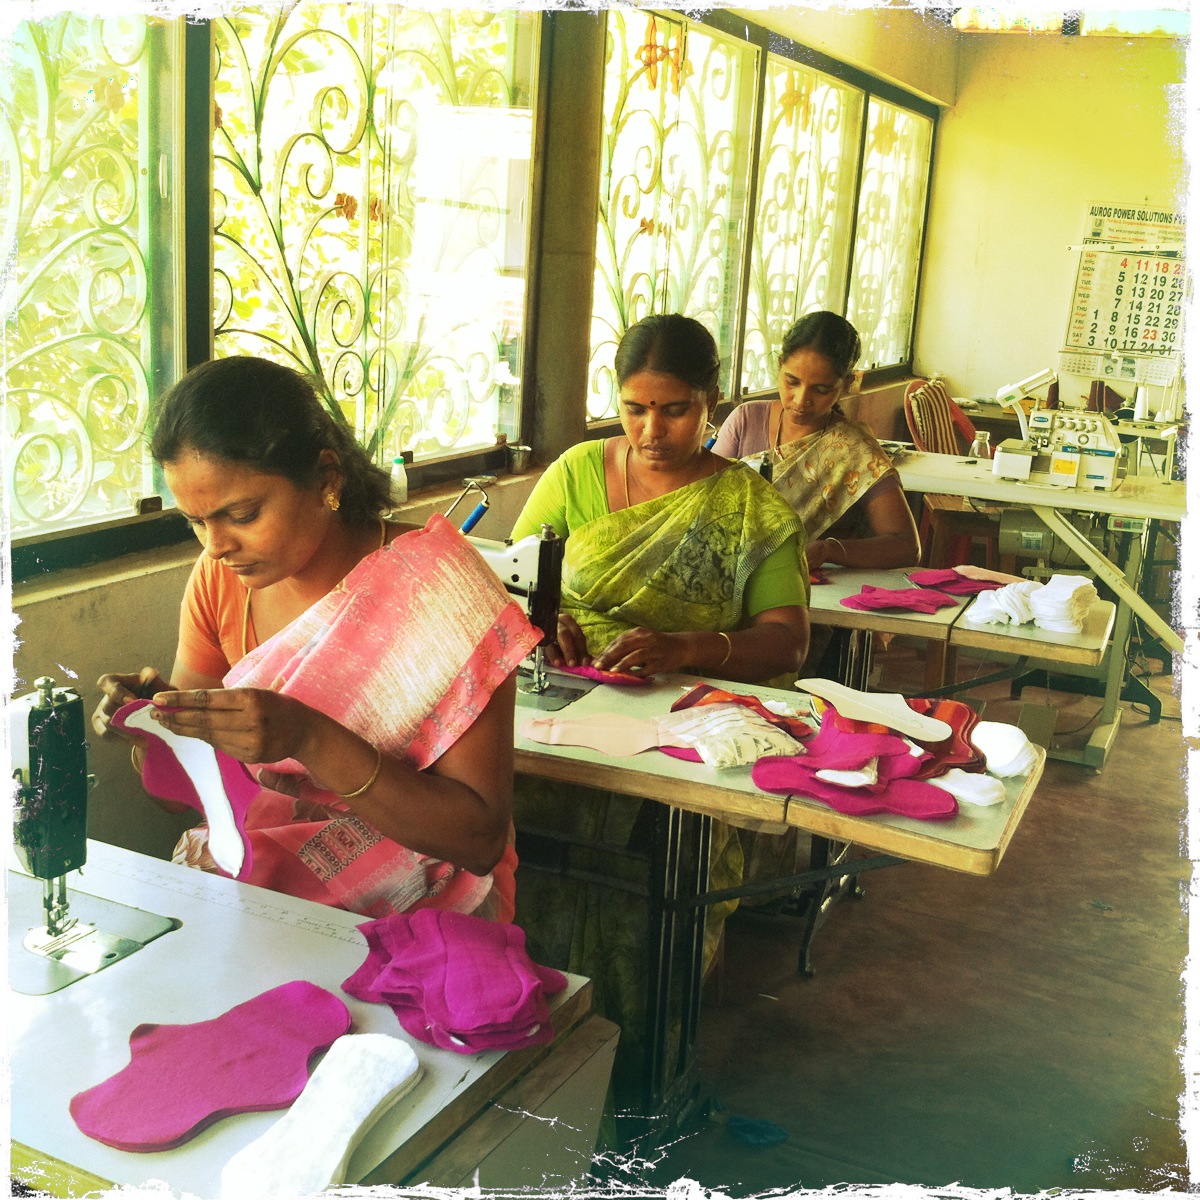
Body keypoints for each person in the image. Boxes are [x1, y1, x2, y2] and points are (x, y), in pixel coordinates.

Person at [92, 355, 539, 923]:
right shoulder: (219, 582)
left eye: (243, 514)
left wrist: (307, 736)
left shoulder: (441, 591)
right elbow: (202, 797)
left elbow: (478, 840)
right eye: (197, 522)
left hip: (425, 911)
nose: (215, 546)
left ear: (327, 479)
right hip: (267, 892)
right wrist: (155, 729)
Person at [508, 313, 810, 1124]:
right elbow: (506, 592)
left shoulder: (745, 502)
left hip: (679, 743)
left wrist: (690, 645)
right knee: (533, 895)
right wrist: (541, 623)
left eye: (673, 409)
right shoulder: (574, 472)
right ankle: (534, 1093)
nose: (650, 430)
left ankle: (643, 1090)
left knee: (652, 915)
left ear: (711, 402)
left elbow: (786, 639)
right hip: (562, 732)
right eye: (634, 408)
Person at [713, 310, 920, 571]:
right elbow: (702, 505)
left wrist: (829, 549)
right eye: (792, 382)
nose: (801, 400)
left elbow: (905, 546)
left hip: (807, 590)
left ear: (846, 384)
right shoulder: (745, 421)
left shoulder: (854, 449)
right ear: (779, 365)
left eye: (821, 390)